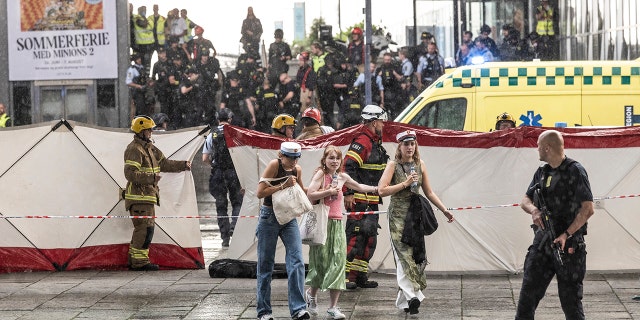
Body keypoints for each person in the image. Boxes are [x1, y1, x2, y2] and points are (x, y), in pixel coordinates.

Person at [515, 130, 594, 320]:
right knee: (526, 301)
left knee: (571, 304)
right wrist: (534, 210)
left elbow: (588, 209)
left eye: (538, 146)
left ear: (547, 148)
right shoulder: (542, 172)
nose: (537, 150)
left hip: (568, 247)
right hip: (543, 244)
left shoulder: (575, 170)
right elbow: (525, 199)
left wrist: (567, 234)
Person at [377, 130, 454, 315]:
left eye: (412, 144)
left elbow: (429, 192)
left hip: (415, 216)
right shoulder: (393, 165)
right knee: (403, 255)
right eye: (406, 144)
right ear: (400, 147)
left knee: (415, 255)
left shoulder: (421, 164)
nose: (410, 147)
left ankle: (405, 301)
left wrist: (444, 210)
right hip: (397, 216)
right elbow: (381, 190)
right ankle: (413, 296)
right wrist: (405, 183)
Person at [305, 146, 378, 319]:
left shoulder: (342, 177)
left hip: (337, 224)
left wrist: (376, 189)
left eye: (337, 159)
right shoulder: (321, 175)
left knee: (338, 262)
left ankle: (333, 307)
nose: (335, 161)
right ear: (325, 159)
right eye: (331, 158)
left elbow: (359, 186)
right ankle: (311, 294)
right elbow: (310, 194)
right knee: (321, 262)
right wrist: (328, 191)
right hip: (323, 223)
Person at [123, 115, 192, 271]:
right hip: (138, 197)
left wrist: (183, 165)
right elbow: (130, 174)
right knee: (143, 230)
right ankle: (139, 263)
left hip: (147, 196)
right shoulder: (134, 149)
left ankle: (138, 260)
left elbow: (164, 163)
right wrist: (151, 178)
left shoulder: (150, 148)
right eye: (148, 130)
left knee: (147, 229)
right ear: (141, 131)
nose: (151, 133)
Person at [255, 141, 310, 320]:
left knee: (297, 261)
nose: (294, 162)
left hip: (288, 218)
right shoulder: (274, 165)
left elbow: (301, 191)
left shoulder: (297, 170)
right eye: (290, 158)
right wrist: (282, 186)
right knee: (265, 265)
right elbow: (260, 192)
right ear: (281, 155)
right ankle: (264, 311)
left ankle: (299, 309)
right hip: (269, 216)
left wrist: (323, 190)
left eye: (296, 158)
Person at [343, 105, 389, 290]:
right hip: (359, 201)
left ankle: (360, 276)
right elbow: (347, 167)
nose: (383, 125)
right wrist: (349, 193)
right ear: (374, 122)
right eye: (381, 122)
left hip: (371, 201)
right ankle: (345, 277)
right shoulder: (363, 142)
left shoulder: (375, 142)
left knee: (369, 239)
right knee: (355, 239)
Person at [202, 109, 243, 248]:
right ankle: (234, 226)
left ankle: (225, 237)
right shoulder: (236, 133)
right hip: (233, 172)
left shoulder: (211, 134)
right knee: (237, 202)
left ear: (217, 118)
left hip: (218, 173)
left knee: (221, 206)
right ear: (230, 119)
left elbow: (205, 158)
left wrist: (214, 165)